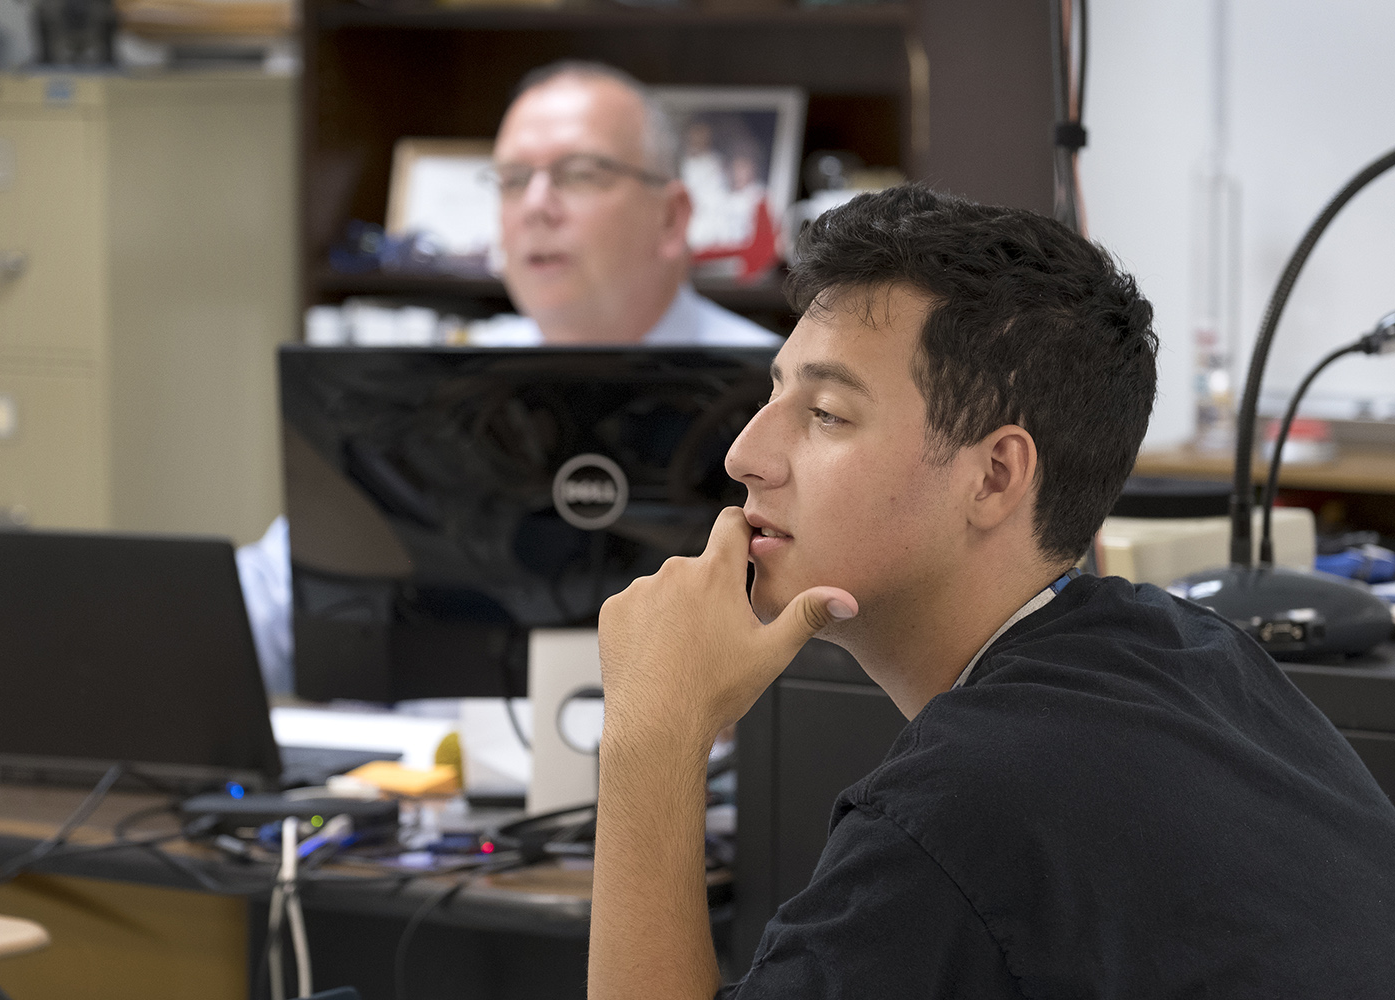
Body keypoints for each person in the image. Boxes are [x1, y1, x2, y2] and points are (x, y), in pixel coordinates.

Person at [589, 185, 1395, 998]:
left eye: (828, 412)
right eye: (774, 393)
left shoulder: (965, 809)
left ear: (995, 475)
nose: (744, 454)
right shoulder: (1197, 656)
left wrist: (650, 736)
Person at [485, 61, 781, 348]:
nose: (534, 206)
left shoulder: (777, 386)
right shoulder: (455, 377)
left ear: (670, 218)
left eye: (580, 175)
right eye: (513, 180)